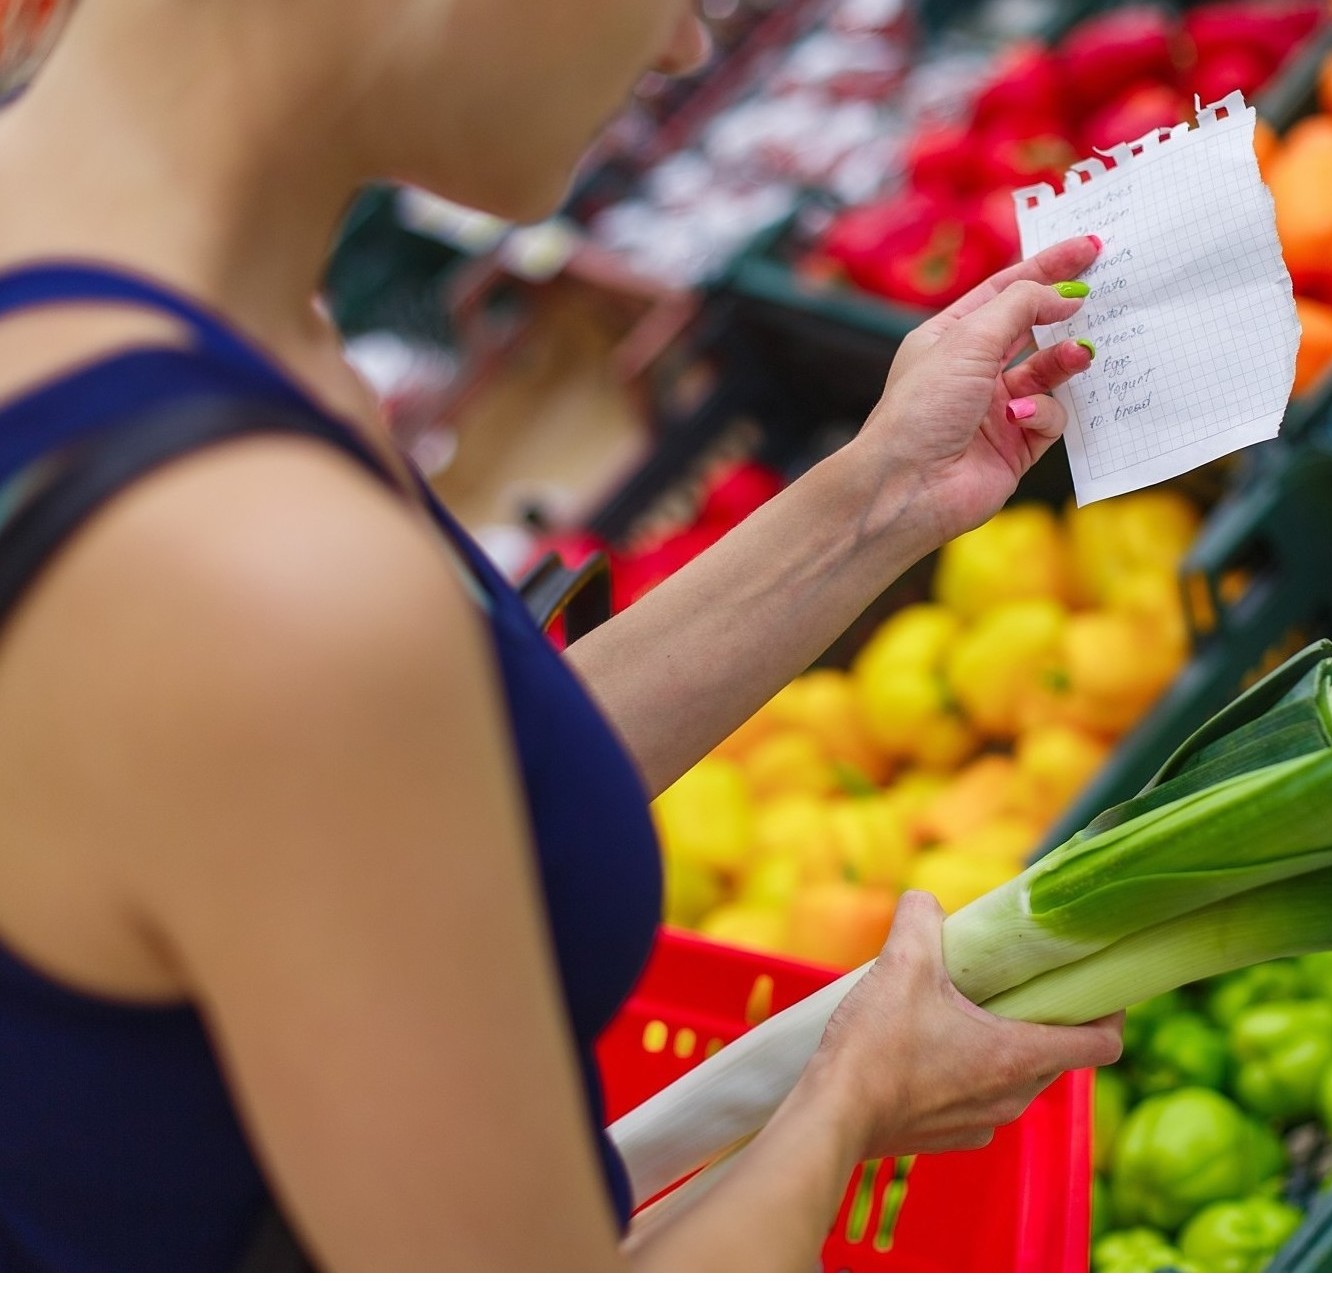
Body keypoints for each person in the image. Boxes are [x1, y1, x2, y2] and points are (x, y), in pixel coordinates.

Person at [0, 0, 1121, 1272]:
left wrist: (878, 500)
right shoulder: (258, 576)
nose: (685, 49)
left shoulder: (150, 310)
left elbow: (427, 797)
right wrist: (848, 1102)